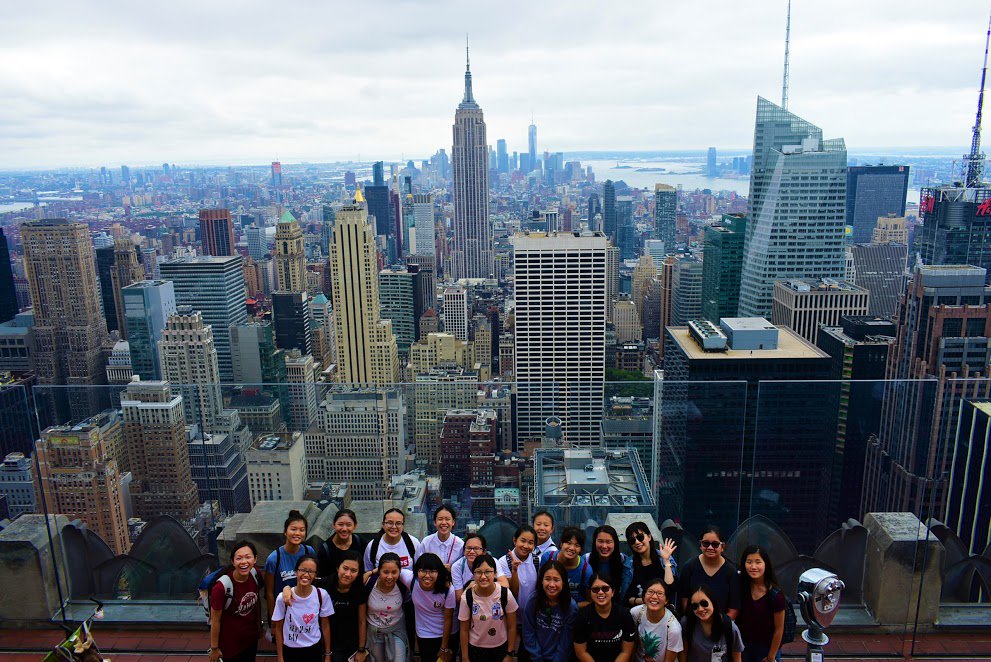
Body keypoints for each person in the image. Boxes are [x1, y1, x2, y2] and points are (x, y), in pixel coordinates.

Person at [272, 555, 333, 662]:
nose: (306, 574)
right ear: (296, 572)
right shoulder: (283, 598)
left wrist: (327, 654)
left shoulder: (321, 595)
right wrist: (280, 657)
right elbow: (278, 629)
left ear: (315, 575)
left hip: (313, 649)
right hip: (290, 650)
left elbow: (325, 625)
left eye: (311, 571)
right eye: (302, 570)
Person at [209, 540, 263, 662]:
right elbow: (215, 619)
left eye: (248, 557)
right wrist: (214, 648)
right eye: (239, 558)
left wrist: (259, 624)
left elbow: (256, 601)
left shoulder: (255, 574)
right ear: (233, 561)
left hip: (250, 638)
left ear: (255, 559)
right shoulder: (221, 587)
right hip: (230, 645)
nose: (244, 562)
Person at [459, 553, 519, 662]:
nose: (483, 576)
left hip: (500, 648)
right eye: (478, 572)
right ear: (473, 574)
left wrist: (510, 653)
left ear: (495, 573)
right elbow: (463, 630)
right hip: (475, 649)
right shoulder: (467, 597)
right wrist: (465, 657)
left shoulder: (505, 594)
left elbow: (512, 626)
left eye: (488, 572)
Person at [736, 547, 785, 662]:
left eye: (758, 562)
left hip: (767, 649)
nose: (753, 567)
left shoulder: (775, 595)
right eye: (749, 562)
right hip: (743, 647)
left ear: (765, 564)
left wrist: (771, 657)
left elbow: (779, 629)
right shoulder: (740, 588)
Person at [677, 527, 739, 620]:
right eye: (706, 543)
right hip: (694, 624)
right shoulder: (689, 568)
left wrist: (719, 626)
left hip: (721, 627)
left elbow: (733, 609)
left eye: (715, 544)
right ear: (700, 545)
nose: (710, 547)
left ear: (722, 547)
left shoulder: (731, 572)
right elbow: (684, 600)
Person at [521, 560, 577, 662]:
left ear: (564, 582)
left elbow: (566, 642)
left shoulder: (571, 607)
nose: (551, 584)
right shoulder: (533, 600)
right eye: (547, 579)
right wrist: (537, 658)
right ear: (541, 580)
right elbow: (528, 632)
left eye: (556, 580)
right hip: (534, 657)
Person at [572, 573, 636, 662]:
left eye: (605, 588)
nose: (600, 592)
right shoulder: (583, 616)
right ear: (590, 592)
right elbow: (581, 652)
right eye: (595, 589)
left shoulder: (624, 615)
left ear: (613, 592)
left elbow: (626, 652)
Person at [266, 510, 316, 619]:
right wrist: (273, 619)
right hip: (284, 611)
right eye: (293, 529)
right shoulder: (274, 559)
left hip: (305, 610)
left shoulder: (309, 552)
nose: (297, 533)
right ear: (285, 531)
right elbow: (269, 592)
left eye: (302, 530)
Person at [365, 552, 412, 662]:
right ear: (379, 571)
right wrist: (370, 573)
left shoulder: (403, 584)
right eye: (385, 572)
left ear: (400, 572)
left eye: (394, 572)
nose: (390, 577)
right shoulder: (369, 583)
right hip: (374, 632)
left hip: (397, 630)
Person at [410, 552, 457, 662]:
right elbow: (391, 567)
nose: (427, 575)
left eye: (432, 571)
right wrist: (369, 573)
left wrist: (444, 647)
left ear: (439, 572)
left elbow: (448, 619)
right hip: (424, 635)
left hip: (446, 635)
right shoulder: (412, 581)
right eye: (423, 571)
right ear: (417, 571)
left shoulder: (448, 590)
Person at [679, 587, 744, 662]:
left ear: (713, 602)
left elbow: (737, 658)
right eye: (695, 606)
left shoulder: (730, 627)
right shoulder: (687, 623)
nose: (700, 609)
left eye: (704, 603)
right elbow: (683, 652)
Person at [624, 522, 677, 609]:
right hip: (637, 613)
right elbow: (625, 599)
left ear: (649, 536)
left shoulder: (664, 558)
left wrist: (666, 561)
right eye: (632, 540)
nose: (637, 542)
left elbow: (671, 589)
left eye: (640, 537)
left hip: (663, 613)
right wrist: (645, 600)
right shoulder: (628, 565)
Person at [630, 578, 683, 662]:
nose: (654, 597)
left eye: (660, 593)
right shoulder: (636, 613)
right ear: (644, 596)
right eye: (650, 592)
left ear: (666, 600)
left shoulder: (673, 628)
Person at [539, 527, 593, 605]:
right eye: (568, 543)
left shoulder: (586, 570)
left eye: (577, 545)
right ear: (561, 544)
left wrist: (569, 609)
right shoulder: (547, 558)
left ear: (581, 549)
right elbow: (540, 587)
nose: (571, 548)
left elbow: (589, 601)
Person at [496, 525, 538, 614]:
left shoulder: (537, 561)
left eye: (530, 543)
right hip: (512, 615)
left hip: (532, 615)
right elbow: (513, 591)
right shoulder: (504, 561)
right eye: (522, 541)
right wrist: (514, 571)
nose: (526, 546)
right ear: (515, 541)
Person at [585, 525, 633, 597]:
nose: (604, 546)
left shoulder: (624, 560)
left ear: (615, 543)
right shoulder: (586, 560)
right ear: (594, 542)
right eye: (600, 541)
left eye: (608, 542)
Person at [317, 509, 364, 580]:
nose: (344, 529)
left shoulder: (360, 542)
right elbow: (322, 577)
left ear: (355, 526)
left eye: (348, 525)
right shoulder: (326, 549)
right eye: (340, 524)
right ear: (334, 525)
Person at [421, 505, 465, 569]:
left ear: (453, 522)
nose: (444, 522)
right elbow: (419, 565)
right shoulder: (426, 542)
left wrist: (452, 569)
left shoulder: (460, 544)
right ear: (435, 522)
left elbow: (463, 569)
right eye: (440, 519)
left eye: (447, 519)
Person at [453, 533, 488, 599]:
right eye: (468, 548)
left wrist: (476, 584)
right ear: (463, 551)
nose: (472, 552)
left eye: (476, 548)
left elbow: (505, 585)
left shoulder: (491, 563)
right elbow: (459, 598)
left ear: (484, 552)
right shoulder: (457, 567)